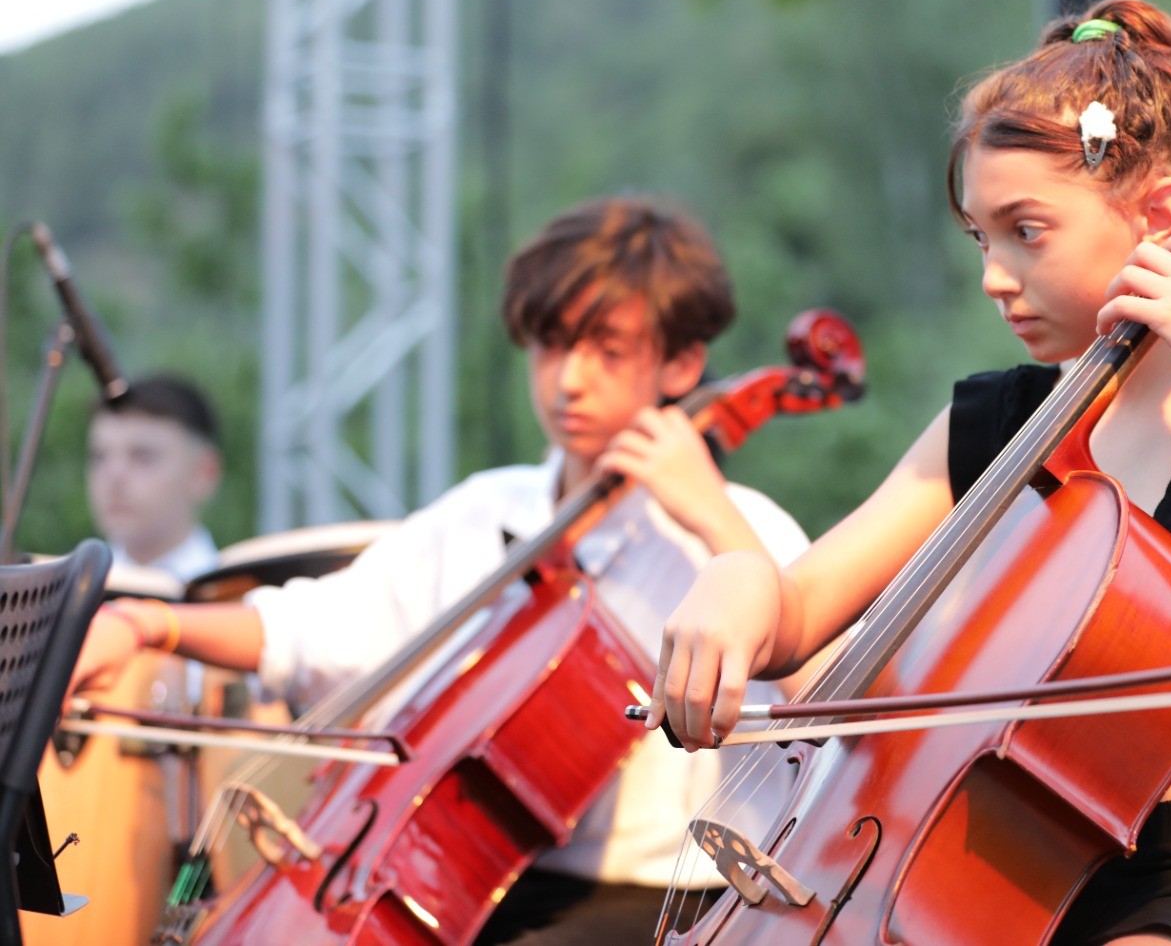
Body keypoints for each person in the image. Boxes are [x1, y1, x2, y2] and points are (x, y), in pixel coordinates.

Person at [648, 0, 1171, 946]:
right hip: (1006, 879)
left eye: (1024, 231)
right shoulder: (998, 421)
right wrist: (737, 580)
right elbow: (799, 616)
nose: (994, 274)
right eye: (979, 239)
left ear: (1161, 217)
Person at [68, 195, 813, 944]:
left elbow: (833, 698)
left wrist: (713, 514)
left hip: (673, 903)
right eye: (552, 346)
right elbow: (315, 625)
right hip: (484, 889)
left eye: (608, 352)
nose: (569, 381)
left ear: (682, 364)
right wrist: (146, 623)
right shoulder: (487, 511)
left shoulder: (746, 529)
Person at [87, 373, 222, 585]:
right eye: (100, 457)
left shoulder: (246, 603)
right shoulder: (60, 600)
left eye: (143, 457)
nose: (114, 476)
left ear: (203, 473)